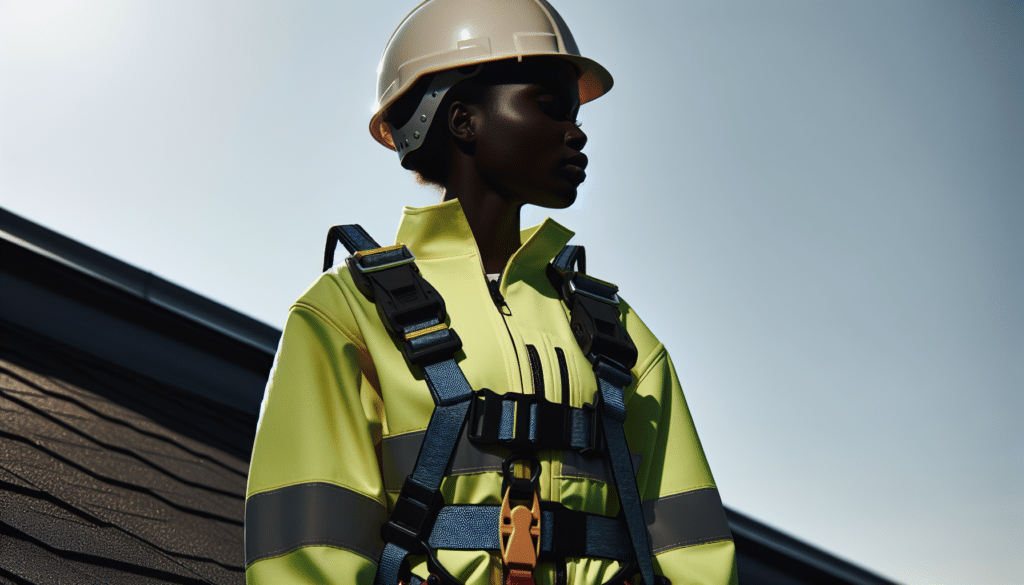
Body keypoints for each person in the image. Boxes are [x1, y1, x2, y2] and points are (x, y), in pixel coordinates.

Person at [244, 1, 738, 584]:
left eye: (577, 114)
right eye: (550, 106)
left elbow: (694, 555)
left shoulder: (620, 333)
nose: (576, 131)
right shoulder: (347, 314)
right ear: (462, 121)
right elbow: (307, 556)